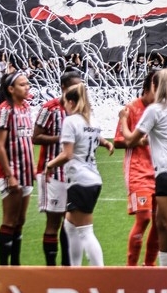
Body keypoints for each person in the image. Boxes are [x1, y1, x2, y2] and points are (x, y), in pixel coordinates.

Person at [118, 68, 167, 267]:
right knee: (161, 223)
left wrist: (123, 119)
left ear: (154, 85)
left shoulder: (154, 109)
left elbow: (129, 138)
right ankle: (163, 273)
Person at [44, 83, 114, 266]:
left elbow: (67, 154)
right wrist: (106, 143)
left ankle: (98, 272)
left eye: (65, 103)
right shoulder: (92, 121)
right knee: (69, 225)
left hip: (79, 180)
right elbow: (94, 138)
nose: (64, 107)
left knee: (85, 231)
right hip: (93, 179)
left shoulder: (71, 121)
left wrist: (49, 165)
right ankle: (75, 270)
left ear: (71, 102)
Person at [33, 69, 83, 266]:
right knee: (53, 223)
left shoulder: (80, 109)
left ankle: (67, 268)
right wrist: (63, 139)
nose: (79, 89)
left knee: (70, 224)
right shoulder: (50, 108)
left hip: (74, 174)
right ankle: (51, 270)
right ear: (63, 87)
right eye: (75, 85)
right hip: (52, 173)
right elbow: (35, 137)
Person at [114, 70, 160, 266]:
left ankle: (149, 267)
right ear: (150, 86)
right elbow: (117, 141)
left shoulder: (161, 109)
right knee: (144, 218)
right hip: (138, 172)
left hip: (161, 172)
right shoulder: (131, 109)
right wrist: (137, 142)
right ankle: (130, 269)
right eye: (159, 89)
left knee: (160, 222)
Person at [0, 71, 36, 266]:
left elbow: (27, 140)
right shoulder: (5, 109)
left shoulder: (26, 107)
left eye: (27, 84)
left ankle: (16, 266)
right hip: (11, 173)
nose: (27, 87)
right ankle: (4, 269)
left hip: (27, 172)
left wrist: (33, 166)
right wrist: (9, 175)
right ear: (11, 89)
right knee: (9, 221)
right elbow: (0, 145)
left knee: (21, 220)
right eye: (22, 85)